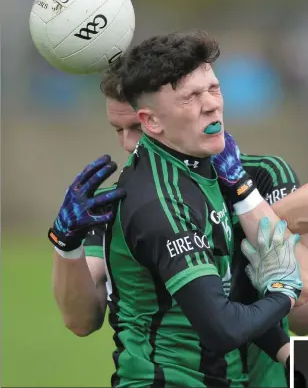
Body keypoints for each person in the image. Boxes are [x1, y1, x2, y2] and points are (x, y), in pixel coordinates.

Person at [48, 31, 306, 387]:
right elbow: (80, 321)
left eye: (213, 90)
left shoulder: (255, 174)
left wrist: (246, 197)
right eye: (119, 129)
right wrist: (65, 244)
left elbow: (299, 306)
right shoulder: (142, 200)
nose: (129, 144)